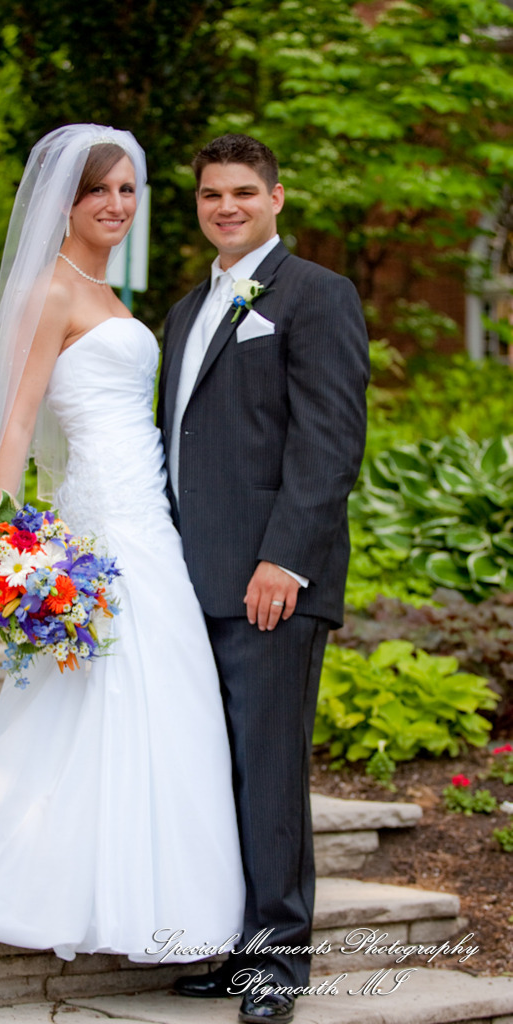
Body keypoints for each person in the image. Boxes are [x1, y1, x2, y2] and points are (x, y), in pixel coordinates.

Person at [0, 123, 245, 963]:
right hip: (100, 522)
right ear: (65, 203)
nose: (115, 205)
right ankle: (70, 886)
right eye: (98, 192)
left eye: (126, 190)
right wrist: (5, 541)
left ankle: (168, 890)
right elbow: (14, 421)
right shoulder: (51, 290)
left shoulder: (108, 291)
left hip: (149, 515)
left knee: (168, 691)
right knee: (110, 688)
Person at [159, 134, 369, 1022]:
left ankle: (276, 962)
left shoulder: (316, 294)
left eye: (243, 191)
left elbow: (330, 441)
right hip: (185, 582)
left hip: (268, 582)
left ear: (276, 198)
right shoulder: (183, 311)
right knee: (210, 774)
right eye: (212, 194)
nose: (226, 206)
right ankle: (228, 944)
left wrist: (283, 558)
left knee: (269, 774)